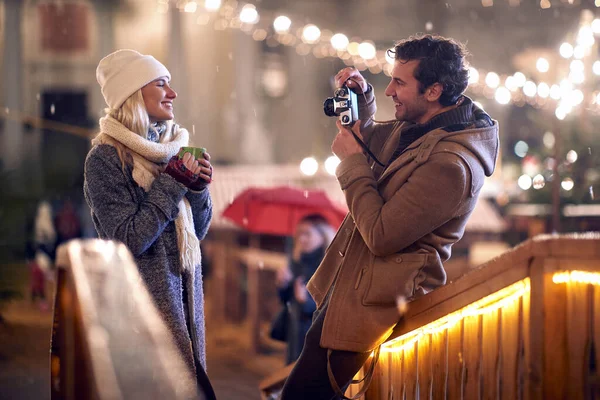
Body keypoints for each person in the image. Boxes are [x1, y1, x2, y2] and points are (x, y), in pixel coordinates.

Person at [280, 34, 499, 399]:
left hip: (379, 307)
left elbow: (382, 235)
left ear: (434, 91)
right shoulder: (422, 127)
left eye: (399, 82)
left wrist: (351, 163)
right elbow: (373, 141)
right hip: (356, 293)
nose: (388, 92)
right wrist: (360, 99)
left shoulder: (451, 165)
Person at [83, 49, 215, 399]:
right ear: (133, 94)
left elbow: (197, 235)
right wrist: (173, 183)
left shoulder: (172, 149)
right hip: (139, 313)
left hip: (186, 307)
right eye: (161, 84)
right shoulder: (105, 159)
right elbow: (129, 241)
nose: (172, 94)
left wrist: (198, 190)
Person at [275, 214, 335, 364]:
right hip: (295, 334)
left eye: (307, 233)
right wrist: (283, 285)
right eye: (299, 234)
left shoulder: (330, 267)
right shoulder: (297, 263)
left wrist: (306, 302)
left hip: (316, 339)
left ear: (323, 235)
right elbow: (287, 301)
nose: (301, 239)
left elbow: (333, 307)